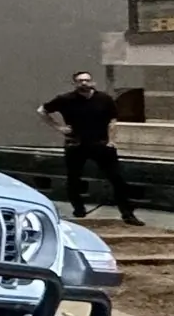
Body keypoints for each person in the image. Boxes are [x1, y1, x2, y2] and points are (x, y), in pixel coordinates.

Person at [40, 69, 140, 224]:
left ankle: (127, 213)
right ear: (75, 83)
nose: (84, 83)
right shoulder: (65, 99)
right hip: (76, 143)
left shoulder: (104, 99)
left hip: (100, 143)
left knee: (117, 178)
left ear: (92, 82)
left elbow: (112, 121)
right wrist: (59, 128)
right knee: (74, 178)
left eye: (87, 80)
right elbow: (42, 110)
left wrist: (112, 141)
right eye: (80, 80)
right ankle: (79, 209)